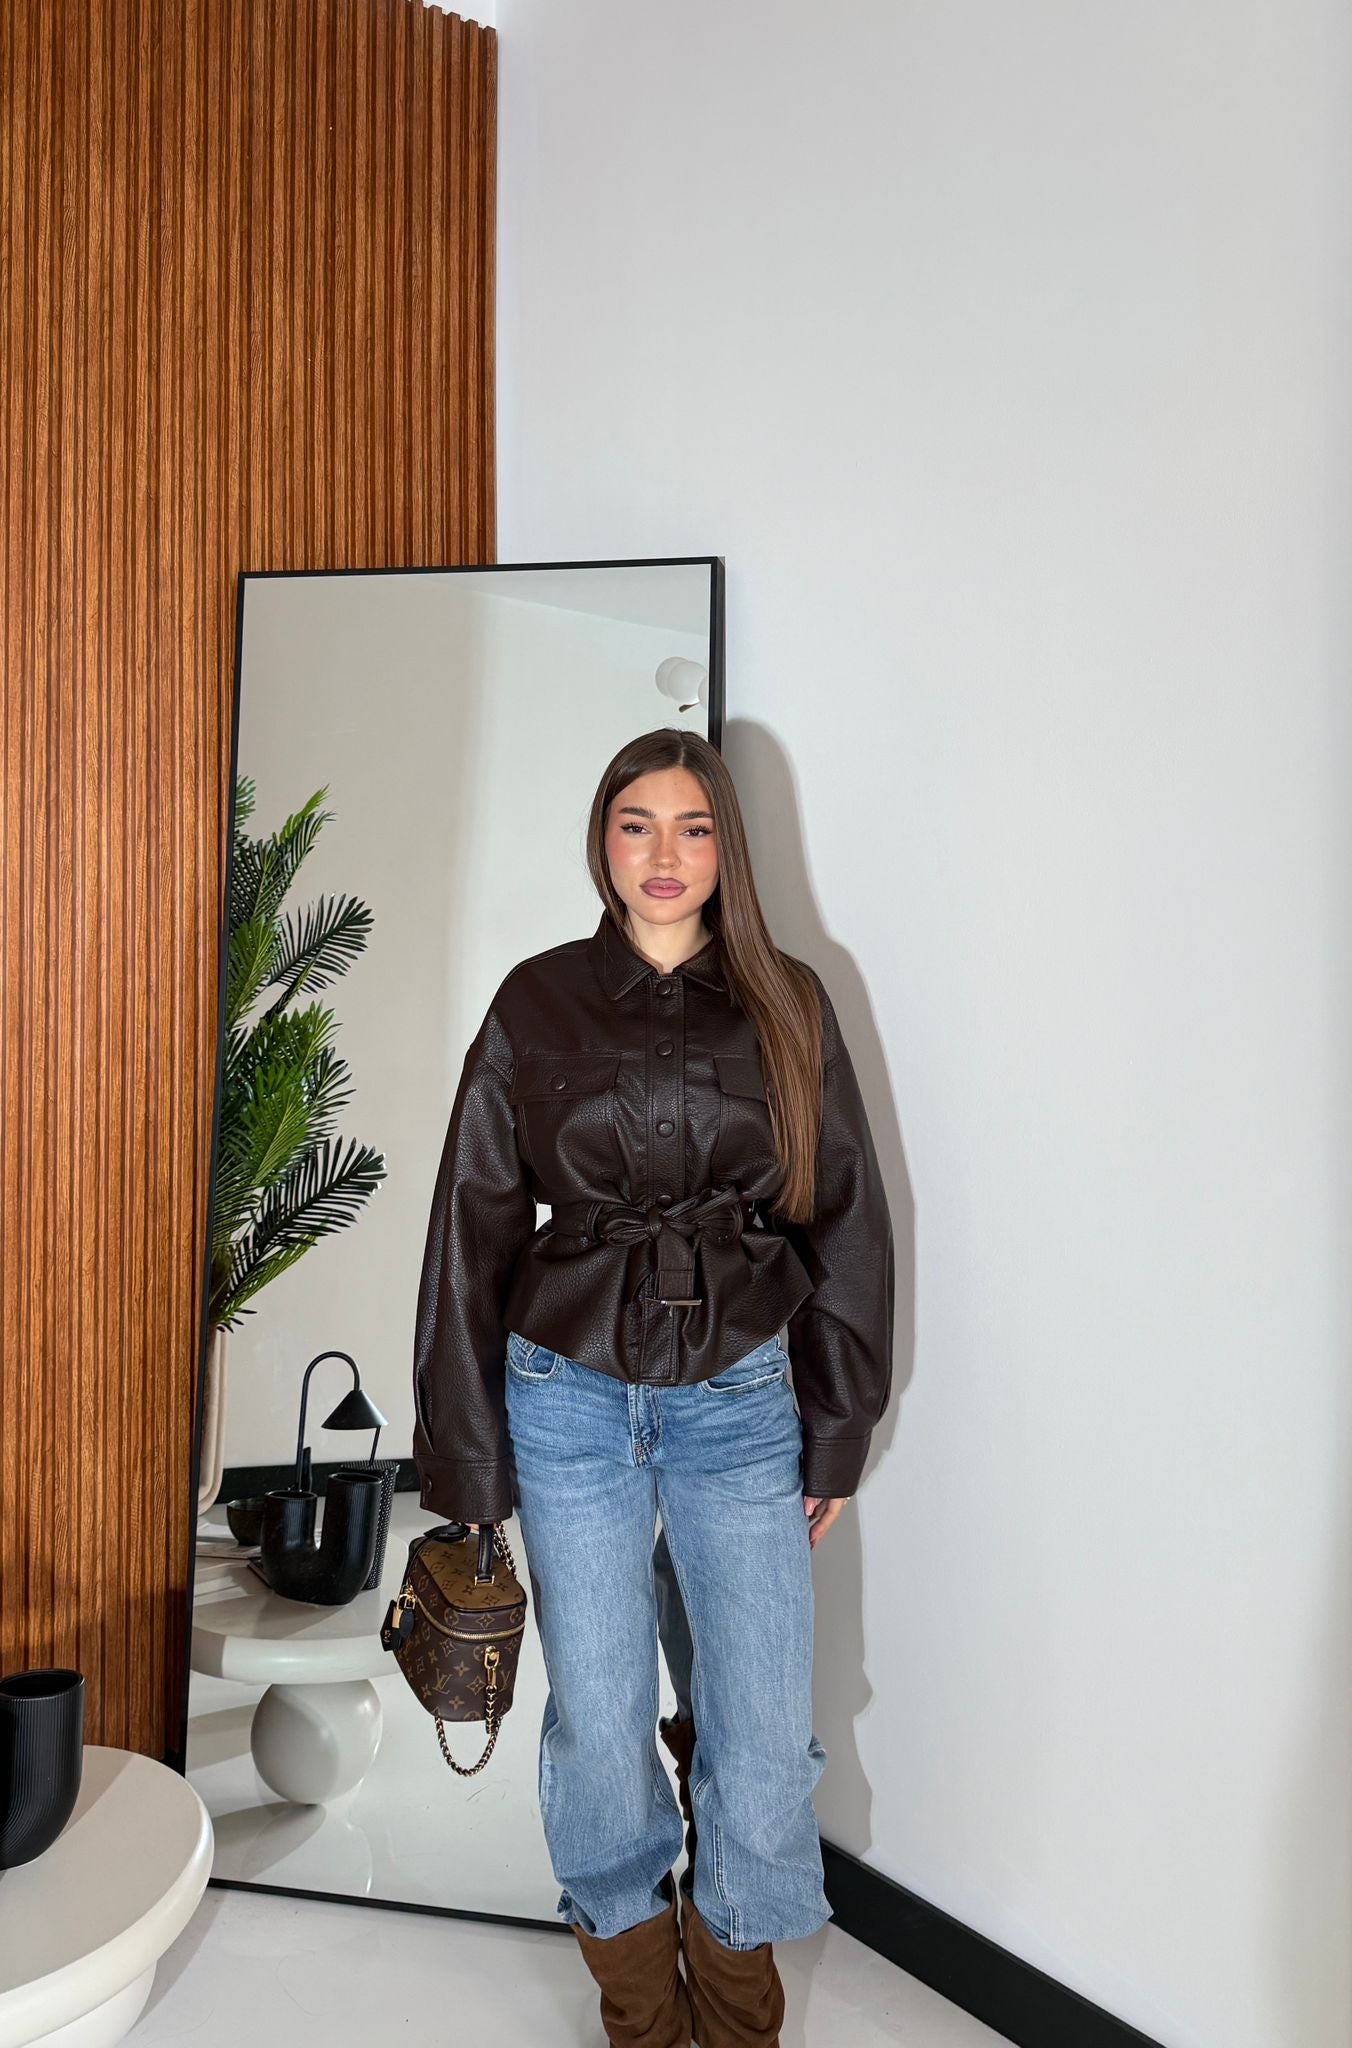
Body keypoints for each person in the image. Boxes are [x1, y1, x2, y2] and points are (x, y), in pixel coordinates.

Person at [412, 728, 894, 2048]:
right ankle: (639, 2013)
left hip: (741, 1399)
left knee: (763, 1726)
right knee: (599, 1720)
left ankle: (736, 2012)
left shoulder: (789, 1002)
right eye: (637, 824)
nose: (664, 854)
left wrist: (836, 1432)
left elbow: (846, 1217)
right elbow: (470, 1225)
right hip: (563, 1391)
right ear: (603, 841)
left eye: (693, 826)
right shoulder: (536, 1001)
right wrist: (470, 1460)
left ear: (728, 845)